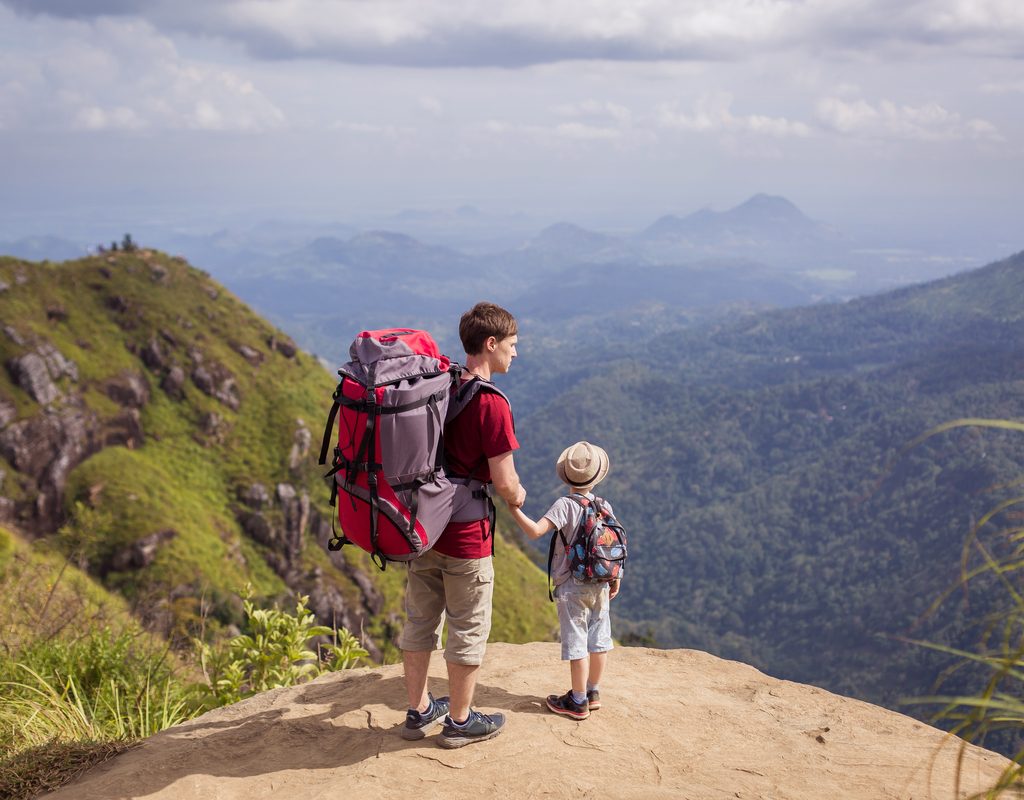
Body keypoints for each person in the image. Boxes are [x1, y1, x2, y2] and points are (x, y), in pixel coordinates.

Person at [398, 302, 527, 748]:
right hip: (467, 538)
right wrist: (518, 496)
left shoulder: (439, 385)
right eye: (511, 346)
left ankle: (417, 712)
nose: (515, 354)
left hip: (421, 528)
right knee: (467, 627)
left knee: (420, 621)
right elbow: (505, 481)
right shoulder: (491, 405)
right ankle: (459, 719)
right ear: (490, 345)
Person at [508, 441, 620, 721]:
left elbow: (535, 531)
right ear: (597, 476)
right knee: (599, 638)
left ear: (566, 476)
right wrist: (615, 577)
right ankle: (593, 693)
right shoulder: (603, 505)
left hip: (572, 585)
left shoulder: (564, 505)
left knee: (577, 641)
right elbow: (611, 543)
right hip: (601, 581)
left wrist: (513, 509)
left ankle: (577, 700)